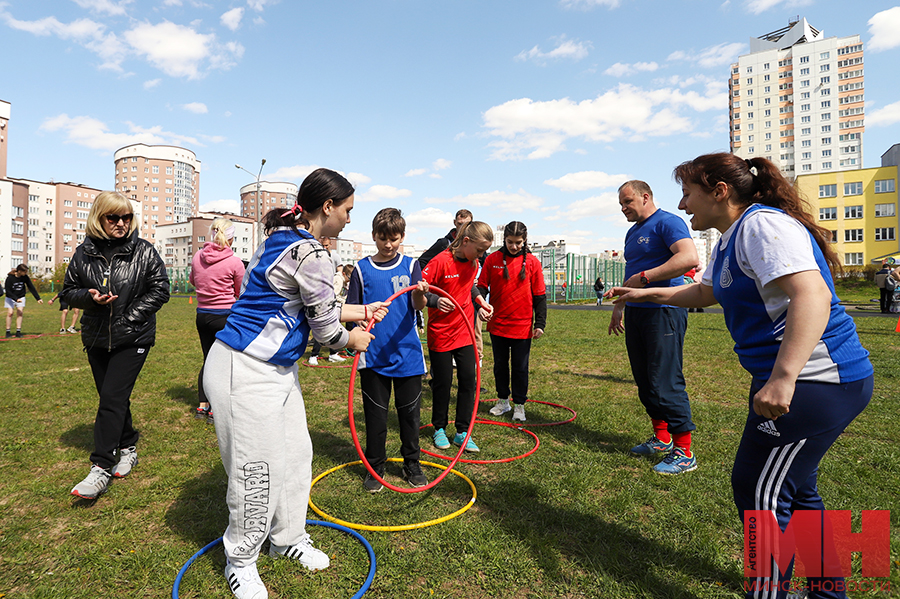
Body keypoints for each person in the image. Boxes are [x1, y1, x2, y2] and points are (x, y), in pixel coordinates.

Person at [608, 153, 874, 599]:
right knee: (796, 489)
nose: (683, 202)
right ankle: (829, 593)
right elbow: (706, 290)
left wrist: (784, 377)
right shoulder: (735, 235)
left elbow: (812, 293)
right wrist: (646, 293)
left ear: (719, 191)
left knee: (758, 491)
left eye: (688, 192)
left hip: (816, 382)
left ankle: (769, 593)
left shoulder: (762, 226)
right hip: (803, 382)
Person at [204, 168, 388, 599]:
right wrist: (354, 337)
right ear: (327, 207)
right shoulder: (313, 253)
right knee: (257, 470)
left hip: (276, 371)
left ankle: (287, 539)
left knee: (295, 456)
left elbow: (304, 302)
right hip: (244, 370)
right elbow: (325, 333)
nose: (348, 220)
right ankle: (241, 560)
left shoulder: (283, 240)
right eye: (347, 211)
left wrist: (361, 311)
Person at [61, 191, 170, 499]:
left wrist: (130, 316)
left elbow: (161, 288)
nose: (121, 223)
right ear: (99, 218)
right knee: (113, 397)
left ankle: (100, 467)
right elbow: (69, 290)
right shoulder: (84, 253)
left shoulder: (144, 251)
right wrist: (90, 298)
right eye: (114, 217)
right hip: (96, 336)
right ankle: (128, 444)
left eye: (126, 217)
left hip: (133, 337)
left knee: (111, 398)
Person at [608, 180, 700, 475]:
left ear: (645, 197)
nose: (624, 209)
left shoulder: (668, 222)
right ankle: (661, 438)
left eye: (627, 202)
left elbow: (688, 258)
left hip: (664, 310)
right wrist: (620, 307)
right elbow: (630, 275)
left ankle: (684, 450)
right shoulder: (632, 232)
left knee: (664, 380)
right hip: (637, 312)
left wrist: (646, 278)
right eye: (621, 204)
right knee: (644, 380)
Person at [347, 208, 429, 492]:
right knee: (376, 416)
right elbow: (352, 309)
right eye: (382, 238)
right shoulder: (361, 268)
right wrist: (357, 328)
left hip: (407, 354)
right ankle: (375, 466)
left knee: (409, 415)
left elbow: (417, 305)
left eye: (394, 239)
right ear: (373, 236)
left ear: (402, 237)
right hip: (374, 356)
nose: (388, 244)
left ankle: (412, 463)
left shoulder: (411, 265)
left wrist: (420, 292)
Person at [423, 221, 493, 453]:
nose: (482, 255)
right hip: (441, 333)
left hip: (464, 332)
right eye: (480, 250)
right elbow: (421, 291)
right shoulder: (440, 261)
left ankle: (463, 431)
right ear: (465, 241)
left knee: (468, 382)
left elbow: (469, 287)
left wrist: (480, 302)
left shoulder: (473, 263)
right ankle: (439, 428)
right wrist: (434, 301)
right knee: (442, 384)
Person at [477, 221, 547, 422]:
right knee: (500, 365)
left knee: (520, 367)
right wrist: (482, 306)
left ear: (525, 241)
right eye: (510, 242)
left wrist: (540, 324)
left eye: (518, 242)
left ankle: (519, 405)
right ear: (504, 240)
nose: (514, 246)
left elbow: (540, 296)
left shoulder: (533, 262)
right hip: (498, 324)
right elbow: (481, 288)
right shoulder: (492, 259)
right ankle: (502, 400)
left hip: (523, 327)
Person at [189, 217, 245, 422]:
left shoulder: (197, 257)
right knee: (223, 363)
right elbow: (241, 291)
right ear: (231, 239)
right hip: (225, 316)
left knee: (207, 359)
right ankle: (215, 407)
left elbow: (193, 281)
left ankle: (202, 406)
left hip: (202, 315)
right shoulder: (234, 262)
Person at [308, 236, 346, 365]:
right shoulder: (316, 256)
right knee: (321, 326)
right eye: (322, 245)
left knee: (334, 325)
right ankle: (314, 355)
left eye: (327, 246)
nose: (324, 248)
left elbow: (340, 273)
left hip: (332, 295)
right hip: (320, 295)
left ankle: (333, 353)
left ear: (331, 245)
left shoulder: (335, 257)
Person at [5, 264, 43, 338]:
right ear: (19, 271)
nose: (26, 273)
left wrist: (38, 298)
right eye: (24, 272)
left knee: (20, 312)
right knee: (10, 313)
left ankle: (18, 331)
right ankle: (8, 332)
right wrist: (16, 299)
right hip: (10, 297)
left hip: (21, 296)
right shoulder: (10, 278)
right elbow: (8, 291)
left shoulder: (25, 277)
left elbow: (31, 287)